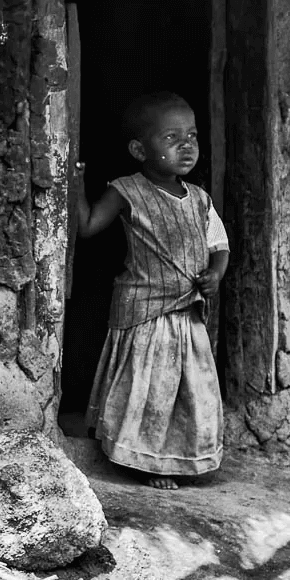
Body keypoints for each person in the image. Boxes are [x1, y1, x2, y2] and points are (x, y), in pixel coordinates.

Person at [72, 92, 228, 487]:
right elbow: (88, 226)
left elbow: (219, 246)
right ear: (139, 149)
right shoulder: (126, 191)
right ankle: (147, 461)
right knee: (149, 391)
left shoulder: (200, 200)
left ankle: (179, 456)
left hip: (188, 316)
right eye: (172, 138)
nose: (187, 146)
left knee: (190, 391)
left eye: (191, 136)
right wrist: (72, 182)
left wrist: (216, 274)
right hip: (146, 313)